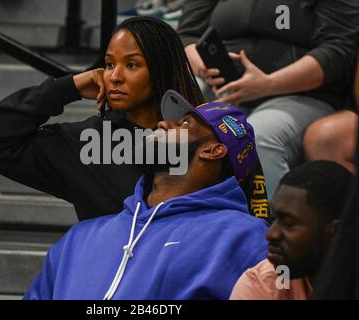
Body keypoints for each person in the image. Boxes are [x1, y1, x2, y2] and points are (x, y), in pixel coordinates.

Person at [0, 16, 270, 221]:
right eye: (109, 64)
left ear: (162, 68)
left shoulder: (210, 135)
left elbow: (257, 219)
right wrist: (66, 87)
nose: (114, 76)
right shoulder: (88, 142)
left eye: (132, 65)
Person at [23, 91, 269, 300]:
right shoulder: (79, 238)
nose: (162, 123)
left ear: (212, 150)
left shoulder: (246, 239)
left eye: (184, 124)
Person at [177, 0, 359, 197]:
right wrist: (204, 67)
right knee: (171, 112)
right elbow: (186, 35)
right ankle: (160, 217)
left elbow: (338, 50)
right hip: (220, 86)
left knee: (259, 136)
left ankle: (271, 225)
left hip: (299, 94)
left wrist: (268, 84)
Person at [229, 161, 354, 300]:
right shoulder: (262, 284)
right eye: (274, 219)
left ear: (336, 233)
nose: (271, 234)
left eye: (288, 223)